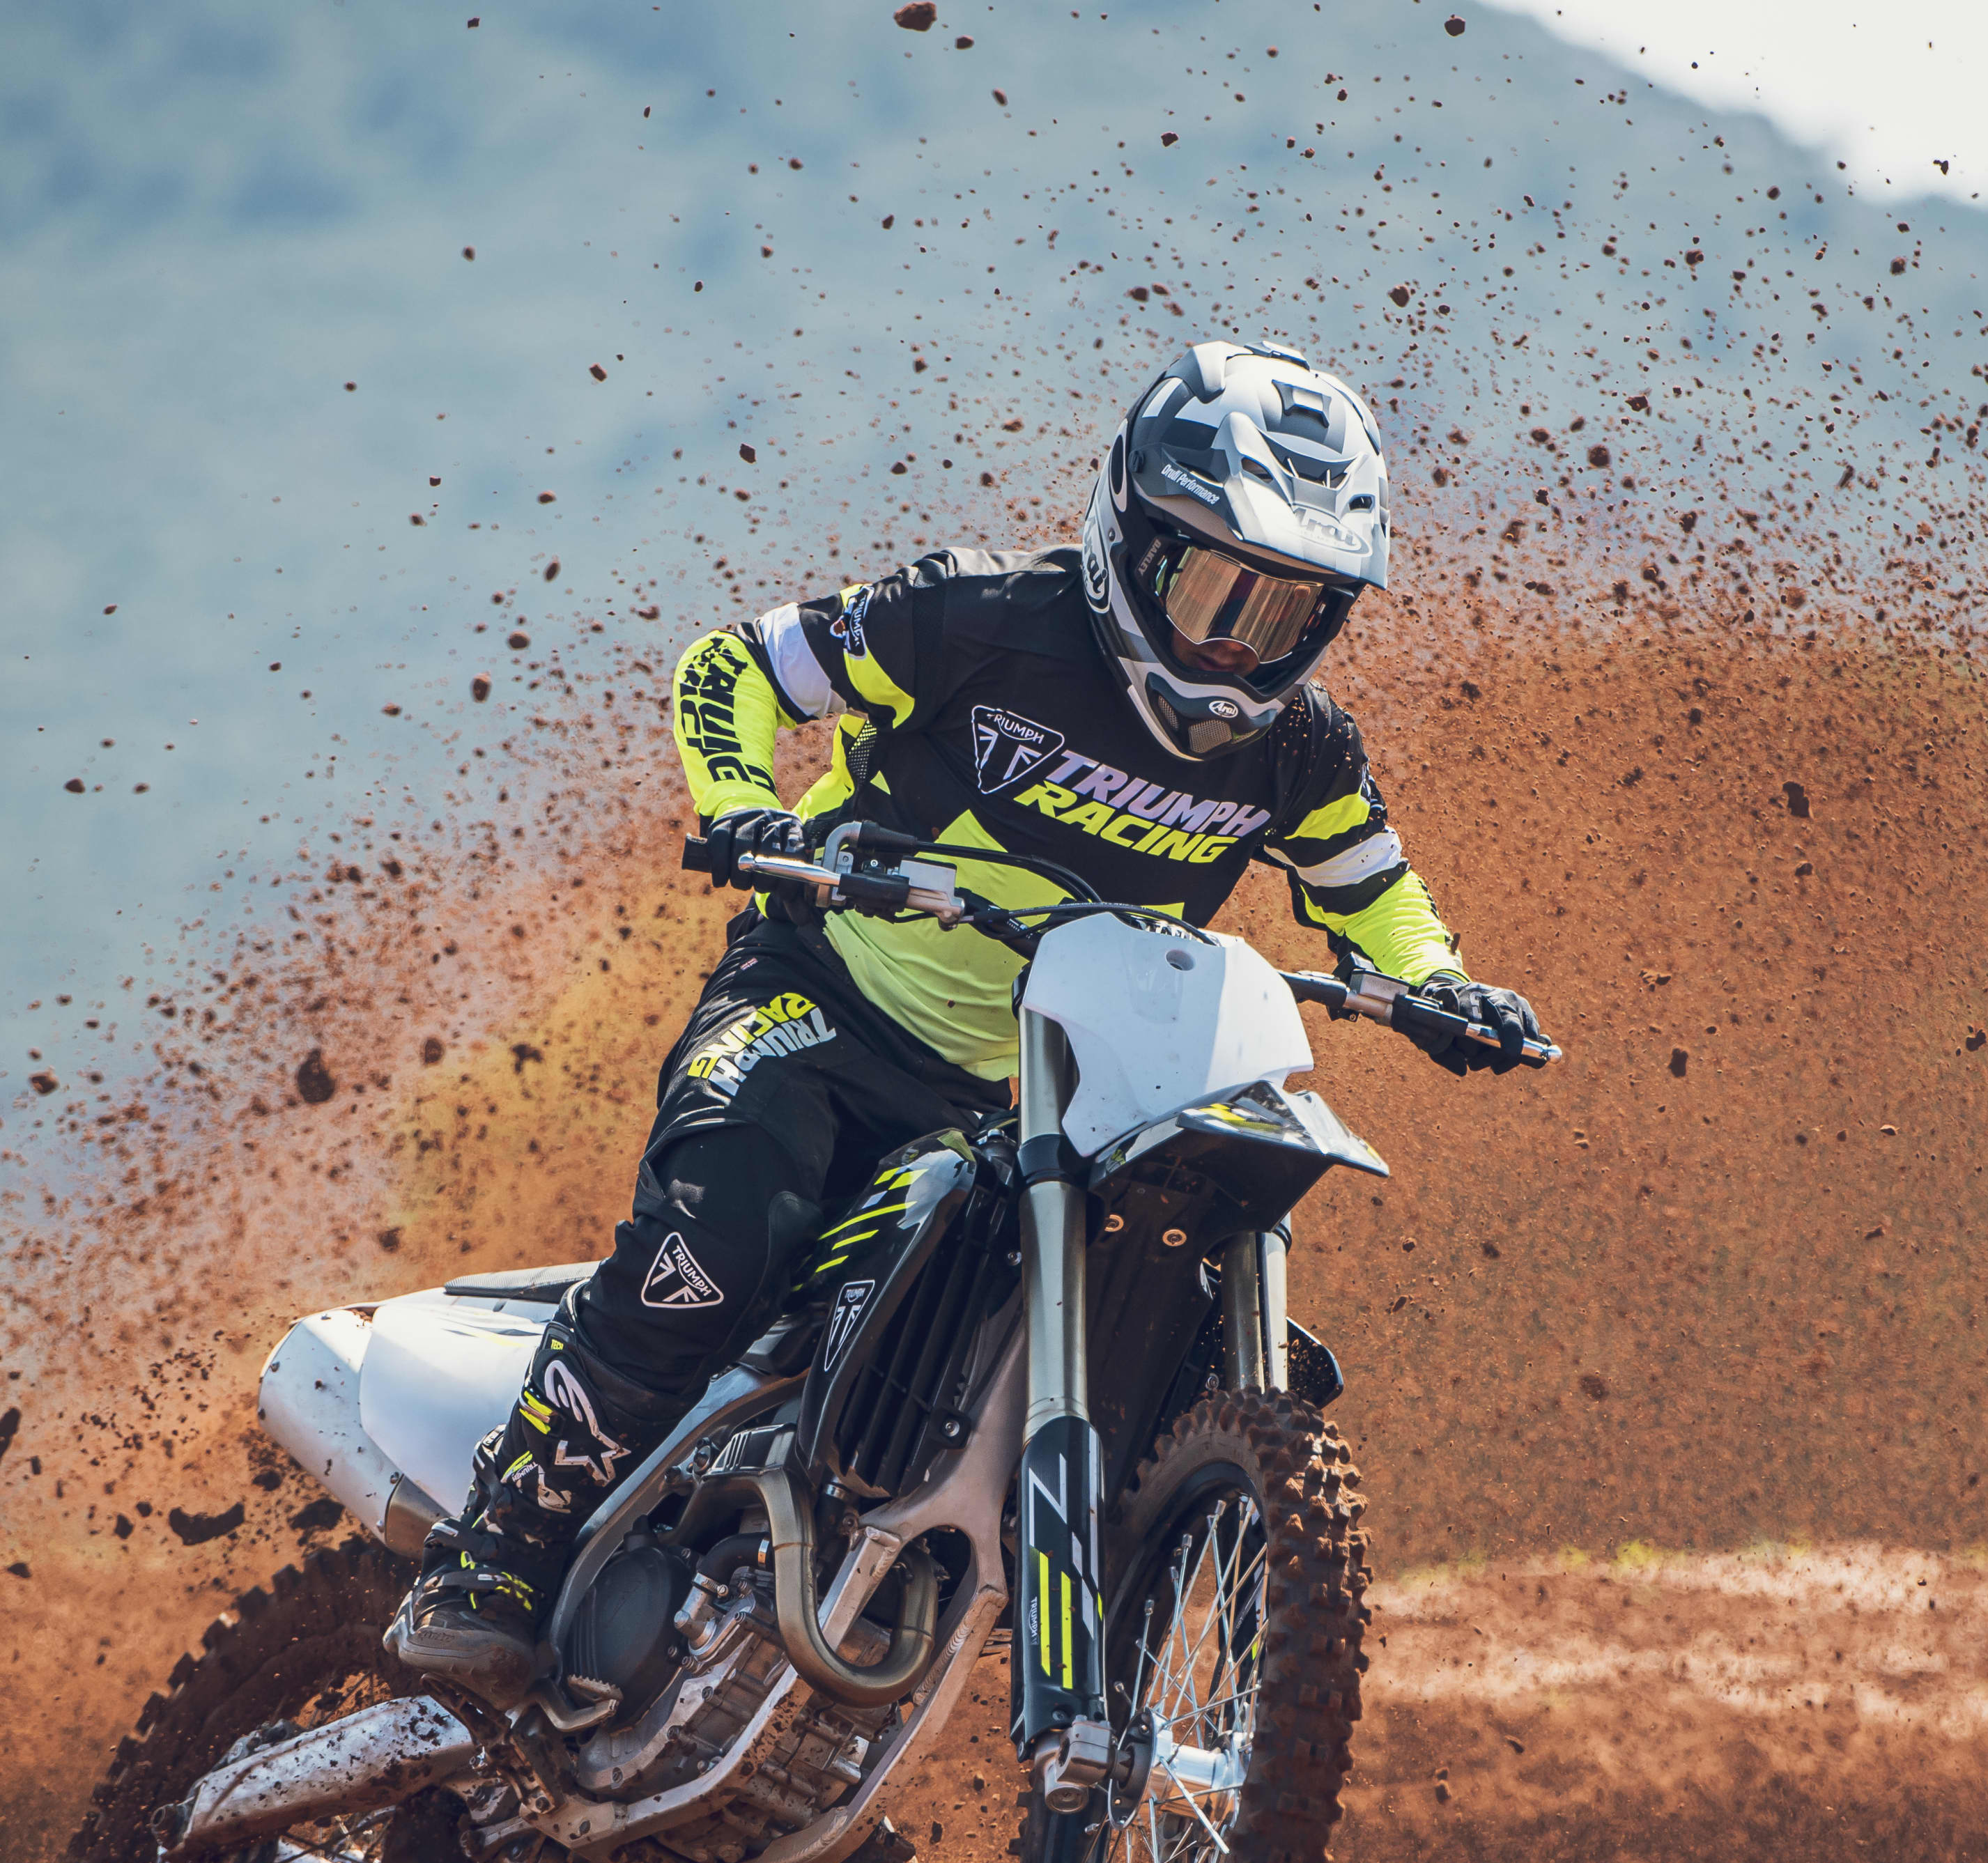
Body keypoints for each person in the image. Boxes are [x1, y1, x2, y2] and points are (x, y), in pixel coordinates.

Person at [388, 337, 1546, 1707]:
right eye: (1215, 586)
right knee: (721, 1228)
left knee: (1138, 1316)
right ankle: (500, 1553)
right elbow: (733, 668)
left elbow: (1378, 899)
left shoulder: (1299, 756)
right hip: (819, 997)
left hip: (1023, 1097)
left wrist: (1440, 984)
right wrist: (742, 807)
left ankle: (873, 1662)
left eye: (1288, 612)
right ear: (1131, 532)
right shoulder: (980, 618)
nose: (1238, 640)